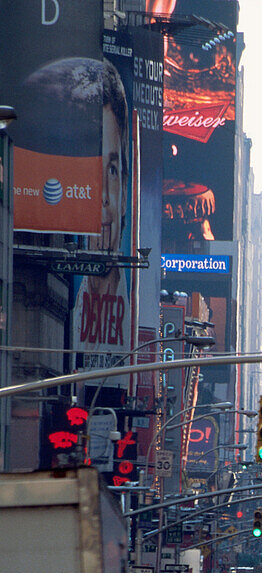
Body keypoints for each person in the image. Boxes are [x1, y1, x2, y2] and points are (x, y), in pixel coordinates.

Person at [72, 59, 130, 358]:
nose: (103, 196)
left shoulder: (132, 322)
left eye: (111, 170)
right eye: (90, 172)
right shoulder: (70, 307)